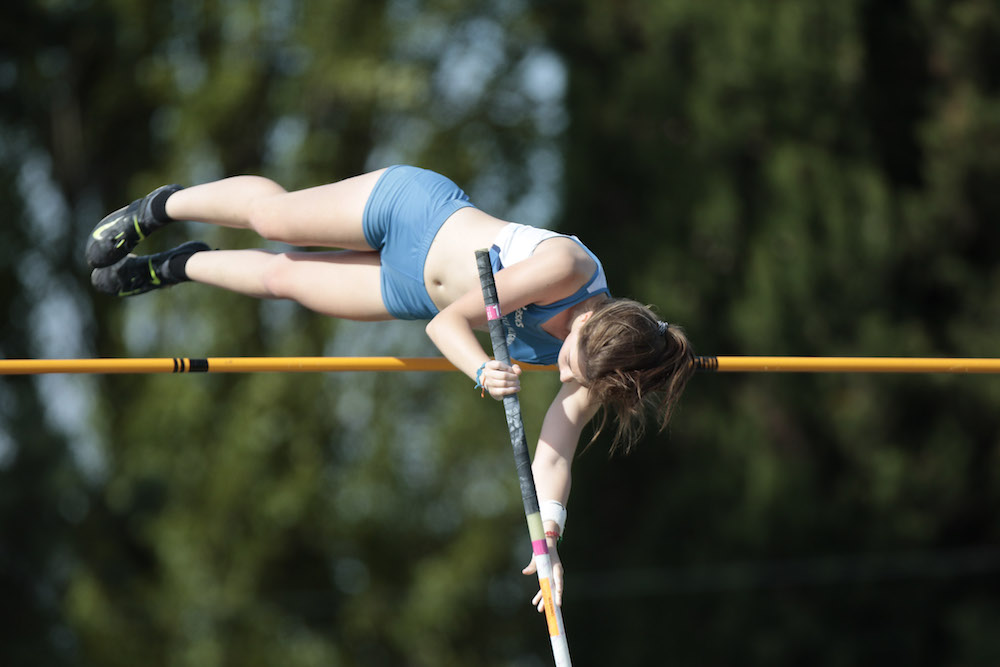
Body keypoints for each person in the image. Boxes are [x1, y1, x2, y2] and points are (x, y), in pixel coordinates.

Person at [86, 164, 695, 612]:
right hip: (411, 212)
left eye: (576, 379)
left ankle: (175, 265)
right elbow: (448, 324)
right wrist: (480, 370)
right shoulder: (566, 269)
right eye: (569, 362)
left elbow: (555, 456)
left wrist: (548, 543)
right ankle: (160, 208)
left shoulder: (596, 370)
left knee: (283, 279)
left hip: (410, 290)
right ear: (590, 320)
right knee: (274, 220)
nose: (564, 376)